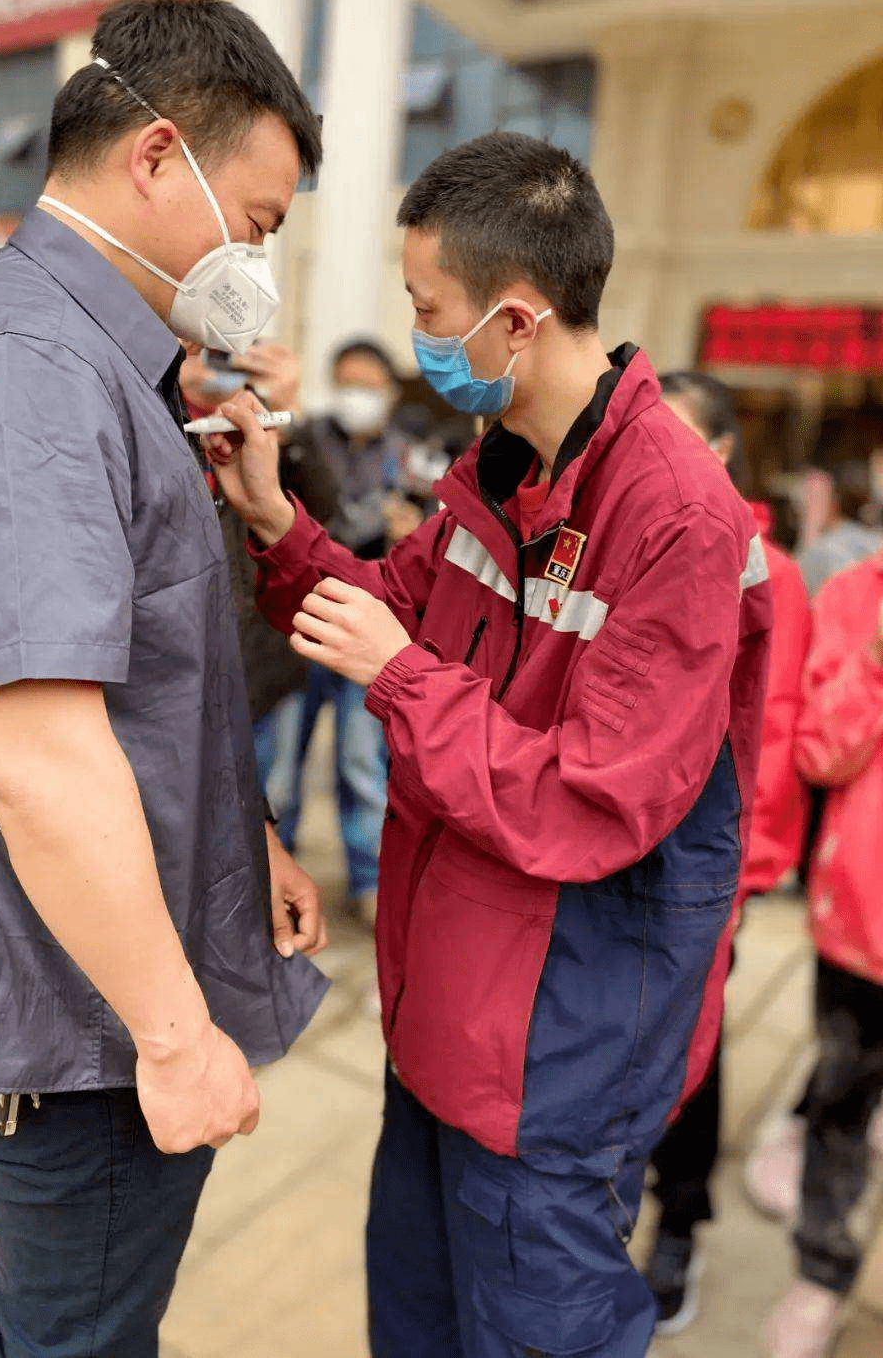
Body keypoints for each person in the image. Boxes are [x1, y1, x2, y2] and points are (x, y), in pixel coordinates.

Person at [210, 131, 773, 1357]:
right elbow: (392, 601)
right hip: (440, 1015)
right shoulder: (501, 464)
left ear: (516, 321)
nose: (417, 332)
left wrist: (401, 677)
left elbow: (589, 799)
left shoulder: (674, 519)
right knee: (414, 1324)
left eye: (428, 309)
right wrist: (276, 522)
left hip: (557, 1056)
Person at [0, 0, 329, 1357]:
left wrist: (243, 835)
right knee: (77, 1332)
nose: (256, 260)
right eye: (254, 220)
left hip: (116, 993)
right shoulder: (27, 369)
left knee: (58, 1320)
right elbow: (37, 746)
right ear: (152, 157)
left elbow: (144, 678)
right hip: (96, 1033)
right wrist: (177, 1030)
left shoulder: (109, 365)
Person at [765, 377, 883, 1358]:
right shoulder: (856, 592)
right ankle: (820, 1271)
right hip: (864, 913)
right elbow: (819, 753)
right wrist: (875, 659)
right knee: (840, 1113)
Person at [642, 371, 812, 1334]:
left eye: (676, 435)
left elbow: (776, 736)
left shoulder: (770, 572)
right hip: (607, 861)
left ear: (721, 452)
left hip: (704, 877)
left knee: (689, 1059)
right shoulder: (622, 544)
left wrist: (736, 880)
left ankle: (682, 1217)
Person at [279, 339, 415, 924]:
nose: (356, 397)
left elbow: (426, 526)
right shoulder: (305, 442)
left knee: (362, 760)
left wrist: (411, 523)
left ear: (387, 390)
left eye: (368, 385)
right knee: (281, 757)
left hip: (369, 623)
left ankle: (367, 879)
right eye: (346, 383)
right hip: (301, 624)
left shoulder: (406, 453)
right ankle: (275, 864)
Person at [179, 344, 338, 828]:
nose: (218, 369)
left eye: (233, 359)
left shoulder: (269, 427)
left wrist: (284, 421)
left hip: (265, 663)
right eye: (205, 354)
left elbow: (322, 507)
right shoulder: (156, 421)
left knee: (270, 803)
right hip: (186, 671)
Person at [796, 460, 883, 598]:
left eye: (814, 499)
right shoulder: (881, 541)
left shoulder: (821, 552)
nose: (804, 506)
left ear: (834, 503)